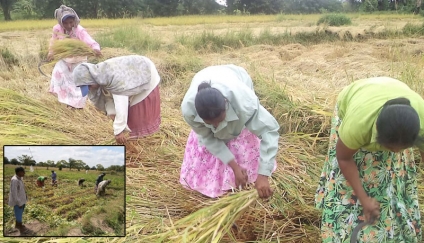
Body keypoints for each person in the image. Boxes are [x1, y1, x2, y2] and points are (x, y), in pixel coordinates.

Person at [315, 77, 423, 242]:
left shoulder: (420, 121)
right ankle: (343, 229)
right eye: (390, 147)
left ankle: (393, 222)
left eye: (402, 148)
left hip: (395, 106)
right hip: (357, 101)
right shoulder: (357, 125)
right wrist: (363, 198)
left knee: (390, 173)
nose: (396, 152)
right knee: (351, 180)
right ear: (377, 133)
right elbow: (344, 158)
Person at [180, 64, 280, 199]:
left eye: (220, 120)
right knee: (208, 147)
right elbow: (208, 138)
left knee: (240, 139)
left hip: (235, 78)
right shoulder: (189, 109)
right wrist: (235, 167)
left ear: (226, 105)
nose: (216, 126)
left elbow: (269, 130)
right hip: (204, 77)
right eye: (210, 123)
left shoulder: (245, 103)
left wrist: (262, 175)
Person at [73, 55, 161, 144]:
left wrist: (118, 130)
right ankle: (135, 140)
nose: (90, 89)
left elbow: (121, 104)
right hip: (129, 75)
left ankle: (142, 141)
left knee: (136, 116)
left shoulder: (111, 76)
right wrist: (112, 113)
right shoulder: (99, 77)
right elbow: (107, 96)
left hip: (144, 73)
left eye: (89, 86)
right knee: (127, 118)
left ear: (91, 79)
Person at [48, 5, 102, 109]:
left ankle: (78, 105)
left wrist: (96, 49)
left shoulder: (79, 30)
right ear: (60, 22)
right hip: (65, 60)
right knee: (58, 75)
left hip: (79, 60)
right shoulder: (57, 29)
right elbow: (53, 41)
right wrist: (51, 52)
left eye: (71, 22)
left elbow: (90, 41)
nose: (69, 25)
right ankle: (67, 101)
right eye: (65, 23)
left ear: (75, 20)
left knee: (78, 83)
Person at [8, 167, 30, 235]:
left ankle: (18, 225)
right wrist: (19, 203)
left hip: (22, 200)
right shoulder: (15, 180)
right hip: (18, 201)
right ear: (19, 172)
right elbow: (14, 193)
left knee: (20, 213)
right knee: (18, 213)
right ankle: (19, 226)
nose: (24, 173)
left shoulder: (20, 178)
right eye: (23, 172)